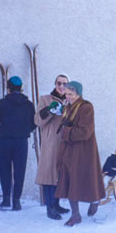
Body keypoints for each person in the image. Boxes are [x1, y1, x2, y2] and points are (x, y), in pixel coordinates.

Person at [55, 81, 106, 226]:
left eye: (71, 94)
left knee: (85, 179)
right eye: (66, 94)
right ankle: (75, 215)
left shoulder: (86, 107)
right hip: (69, 149)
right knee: (70, 179)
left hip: (83, 150)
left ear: (78, 93)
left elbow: (85, 131)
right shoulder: (68, 106)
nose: (68, 96)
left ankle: (95, 200)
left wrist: (66, 132)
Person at [0, 76, 36, 210]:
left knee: (5, 169)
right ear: (21, 88)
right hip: (21, 141)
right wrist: (24, 130)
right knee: (19, 171)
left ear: (8, 88)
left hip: (5, 141)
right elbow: (34, 124)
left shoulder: (2, 103)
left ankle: (6, 199)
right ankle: (16, 201)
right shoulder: (28, 104)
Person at [35, 74, 71, 220]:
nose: (61, 86)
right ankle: (49, 207)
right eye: (59, 83)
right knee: (49, 174)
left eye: (64, 84)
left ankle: (56, 204)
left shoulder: (70, 100)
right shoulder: (45, 99)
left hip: (64, 142)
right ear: (55, 84)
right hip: (50, 142)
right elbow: (37, 120)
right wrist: (49, 110)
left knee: (59, 175)